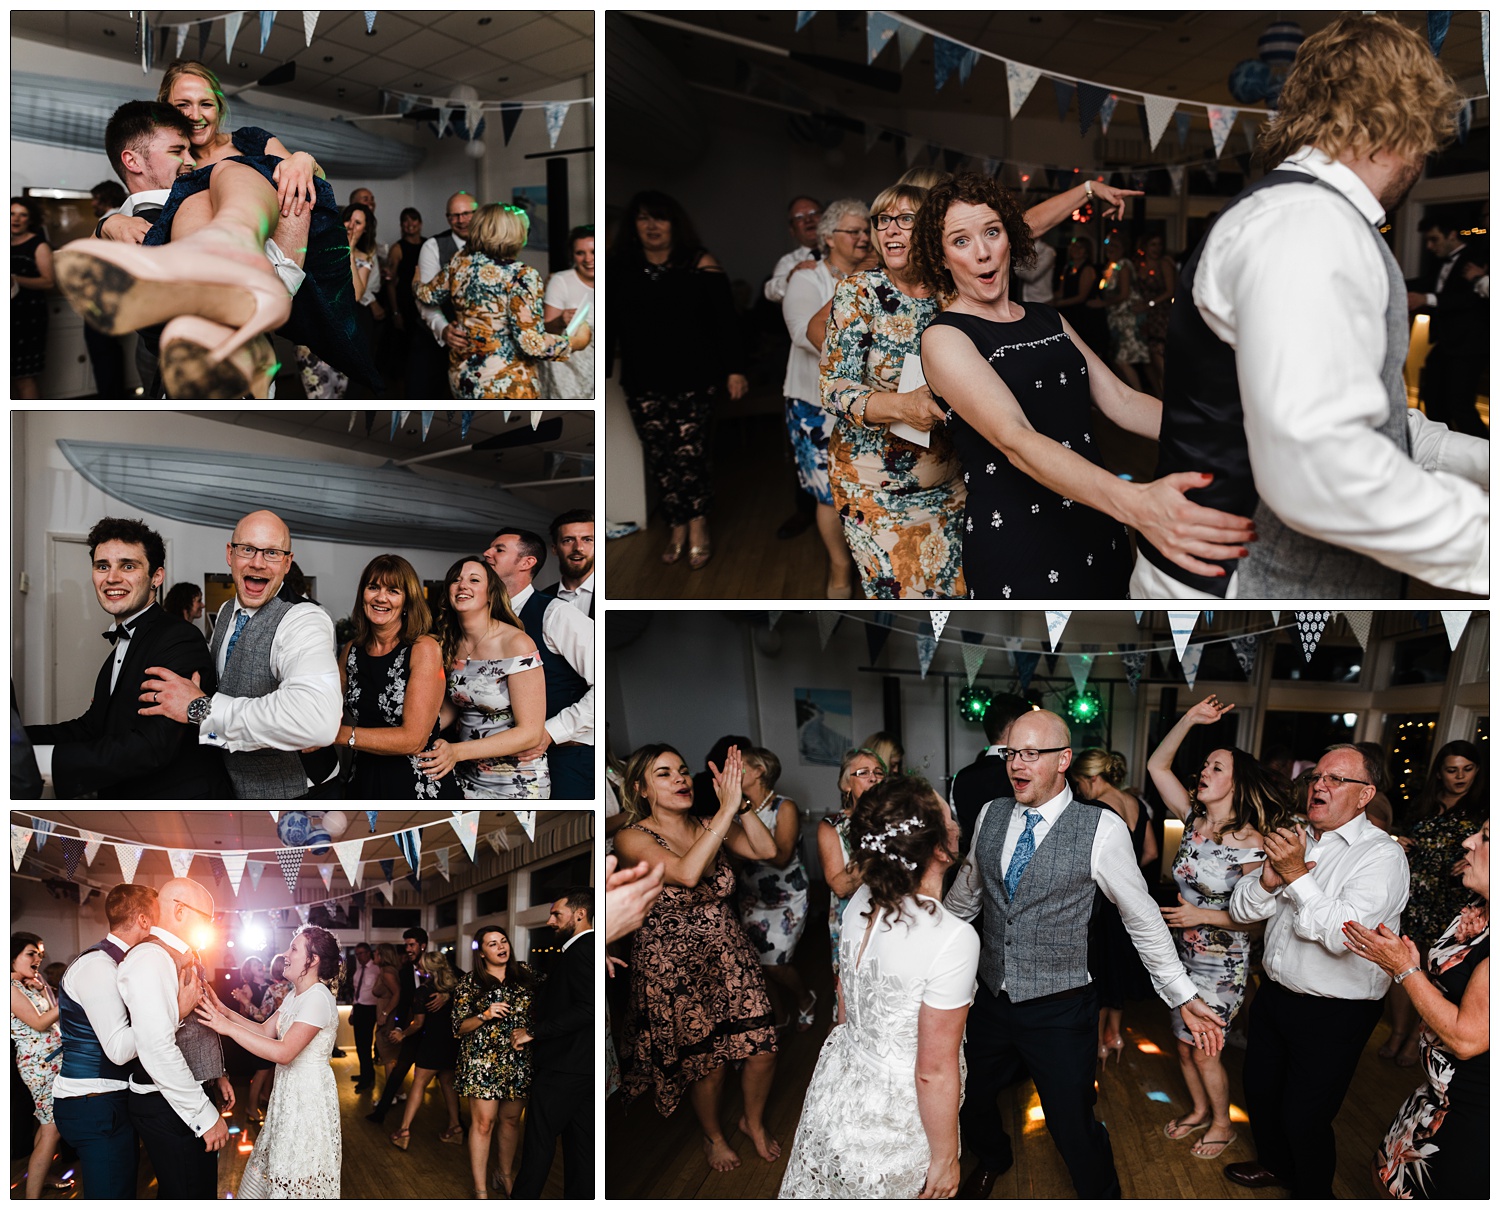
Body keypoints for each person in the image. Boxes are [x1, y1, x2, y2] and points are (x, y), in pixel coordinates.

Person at [1132, 14, 1488, 599]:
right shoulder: (1304, 224)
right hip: (1240, 589)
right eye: (1425, 137)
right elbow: (1323, 470)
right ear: (1398, 124)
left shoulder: (1316, 219)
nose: (1424, 158)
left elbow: (1384, 426)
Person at [914, 172, 1255, 599]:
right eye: (960, 241)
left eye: (992, 232)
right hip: (1022, 537)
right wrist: (1136, 502)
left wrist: (1233, 431)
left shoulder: (1048, 317)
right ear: (941, 257)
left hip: (1097, 517)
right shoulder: (945, 337)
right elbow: (1015, 440)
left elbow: (1123, 400)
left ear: (1011, 238)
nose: (983, 253)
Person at [944, 709, 1226, 1199]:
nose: (1017, 764)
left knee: (1071, 1122)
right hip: (988, 996)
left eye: (1032, 753)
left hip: (1060, 1005)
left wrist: (1181, 995)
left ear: (1063, 760)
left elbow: (1142, 918)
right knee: (969, 1098)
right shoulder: (990, 814)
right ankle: (993, 1156)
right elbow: (967, 896)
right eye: (1013, 752)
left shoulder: (1101, 828)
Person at [821, 175, 1143, 599]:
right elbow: (830, 382)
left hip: (954, 477)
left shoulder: (949, 285)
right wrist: (897, 404)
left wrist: (1086, 190)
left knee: (960, 598)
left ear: (927, 236)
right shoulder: (861, 290)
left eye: (905, 219)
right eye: (882, 219)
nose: (891, 229)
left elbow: (1013, 228)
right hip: (882, 484)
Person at [57, 61, 378, 398]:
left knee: (226, 173)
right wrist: (110, 222)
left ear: (219, 107)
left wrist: (303, 159)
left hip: (260, 270)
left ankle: (233, 255)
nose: (196, 114)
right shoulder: (163, 158)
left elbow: (305, 186)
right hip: (174, 325)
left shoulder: (247, 144)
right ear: (165, 106)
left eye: (206, 103)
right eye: (183, 104)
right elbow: (126, 211)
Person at [1223, 743, 1410, 1196]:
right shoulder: (1296, 835)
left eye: (1335, 779)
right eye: (1316, 777)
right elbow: (1242, 908)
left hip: (1336, 1010)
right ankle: (1275, 1166)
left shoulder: (1382, 856)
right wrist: (1269, 878)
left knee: (1305, 1115)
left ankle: (1312, 1194)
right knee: (1261, 1094)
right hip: (1274, 994)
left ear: (1365, 795)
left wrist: (1294, 875)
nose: (1319, 786)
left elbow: (1347, 934)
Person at [780, 778, 979, 1198]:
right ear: (939, 847)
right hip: (898, 1111)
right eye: (951, 819)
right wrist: (946, 1158)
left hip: (841, 1083)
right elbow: (933, 1071)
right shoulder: (951, 937)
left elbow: (845, 999)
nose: (958, 826)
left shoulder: (859, 901)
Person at [617, 744, 780, 1173]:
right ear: (642, 789)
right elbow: (687, 873)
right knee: (709, 1065)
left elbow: (767, 851)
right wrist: (725, 812)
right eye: (665, 774)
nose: (681, 779)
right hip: (674, 967)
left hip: (729, 955)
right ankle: (714, 1136)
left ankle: (753, 1122)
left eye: (684, 771)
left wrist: (740, 802)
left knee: (762, 1047)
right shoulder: (632, 836)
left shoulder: (711, 822)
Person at [1145, 695, 1287, 1161]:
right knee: (1182, 1047)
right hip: (1180, 957)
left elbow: (1258, 914)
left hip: (1222, 965)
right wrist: (1188, 719)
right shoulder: (1192, 819)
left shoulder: (1251, 842)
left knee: (1205, 1049)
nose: (1204, 772)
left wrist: (1201, 916)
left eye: (1217, 767)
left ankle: (1223, 1125)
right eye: (1205, 765)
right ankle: (1202, 1109)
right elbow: (1156, 765)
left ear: (1237, 781)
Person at [139, 509, 342, 798]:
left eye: (271, 553)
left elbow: (316, 722)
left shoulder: (305, 619)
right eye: (247, 549)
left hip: (299, 795)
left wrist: (201, 709)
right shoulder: (224, 612)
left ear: (287, 563)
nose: (257, 563)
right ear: (230, 554)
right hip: (230, 787)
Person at [24, 516, 229, 798]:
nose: (112, 578)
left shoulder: (178, 638)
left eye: (128, 566)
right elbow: (92, 727)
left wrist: (34, 762)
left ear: (156, 576)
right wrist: (17, 741)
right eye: (102, 566)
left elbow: (152, 746)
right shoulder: (122, 645)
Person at [1346, 821, 1489, 1199]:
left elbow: (1467, 1039)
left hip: (1473, 1111)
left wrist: (1405, 970)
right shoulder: (1479, 909)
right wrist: (1411, 966)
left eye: (1487, 837)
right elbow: (1453, 987)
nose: (1468, 841)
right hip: (1435, 1093)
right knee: (1382, 1177)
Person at [608, 190, 748, 569]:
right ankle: (676, 526)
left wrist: (735, 369)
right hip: (642, 379)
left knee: (691, 456)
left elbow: (726, 323)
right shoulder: (619, 267)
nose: (652, 226)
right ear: (633, 225)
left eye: (660, 218)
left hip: (694, 377)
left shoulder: (700, 263)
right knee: (660, 457)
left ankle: (698, 524)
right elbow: (607, 323)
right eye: (643, 218)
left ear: (675, 224)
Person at [196, 926, 342, 1198]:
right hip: (288, 1093)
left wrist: (226, 1028)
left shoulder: (319, 998)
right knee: (277, 1163)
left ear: (313, 960)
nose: (285, 954)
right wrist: (223, 1011)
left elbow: (284, 1052)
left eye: (294, 949)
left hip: (308, 1098)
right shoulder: (295, 995)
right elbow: (264, 1030)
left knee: (298, 1171)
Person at [52, 884, 164, 1199]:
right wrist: (172, 1011)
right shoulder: (98, 966)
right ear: (144, 921)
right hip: (94, 1103)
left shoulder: (122, 963)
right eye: (158, 918)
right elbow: (117, 1050)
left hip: (106, 1100)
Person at [117, 878, 226, 1198]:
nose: (211, 926)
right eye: (207, 918)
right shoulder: (151, 958)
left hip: (185, 1091)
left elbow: (199, 1027)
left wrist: (217, 1077)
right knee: (189, 1194)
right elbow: (156, 1047)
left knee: (192, 1189)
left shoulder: (182, 956)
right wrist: (205, 1116)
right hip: (165, 1100)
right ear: (179, 910)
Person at [780, 198, 867, 599]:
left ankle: (869, 561)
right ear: (829, 238)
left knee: (866, 486)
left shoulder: (883, 276)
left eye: (868, 230)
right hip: (813, 404)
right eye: (855, 231)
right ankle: (838, 565)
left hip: (869, 403)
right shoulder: (807, 278)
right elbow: (802, 333)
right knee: (828, 494)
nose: (864, 237)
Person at [414, 202, 586, 399]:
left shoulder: (458, 263)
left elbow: (427, 295)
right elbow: (531, 344)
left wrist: (416, 282)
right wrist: (574, 342)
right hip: (505, 382)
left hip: (463, 377)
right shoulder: (521, 275)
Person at [1385, 739, 1485, 1065]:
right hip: (1417, 894)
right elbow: (1404, 836)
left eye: (1467, 769)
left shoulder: (1482, 810)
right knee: (1406, 964)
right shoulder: (1422, 804)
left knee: (1434, 969)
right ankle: (1398, 1031)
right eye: (1452, 770)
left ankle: (1417, 1037)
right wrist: (1398, 842)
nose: (1460, 777)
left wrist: (1466, 863)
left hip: (1454, 899)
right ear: (1439, 774)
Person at [481, 528, 595, 799]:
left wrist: (549, 732)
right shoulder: (484, 621)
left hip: (565, 758)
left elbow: (604, 686)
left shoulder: (557, 614)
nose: (487, 553)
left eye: (499, 549)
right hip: (500, 766)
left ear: (526, 562)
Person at [335, 553, 460, 799]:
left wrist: (334, 734)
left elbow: (412, 739)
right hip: (362, 778)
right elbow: (325, 706)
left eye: (393, 591)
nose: (381, 598)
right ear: (363, 595)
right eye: (373, 588)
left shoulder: (423, 648)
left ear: (407, 602)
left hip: (415, 783)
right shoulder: (351, 650)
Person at [421, 555, 547, 797]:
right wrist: (419, 731)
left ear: (491, 593)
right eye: (456, 580)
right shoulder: (449, 643)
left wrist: (456, 751)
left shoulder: (517, 644)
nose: (463, 585)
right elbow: (453, 705)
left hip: (516, 778)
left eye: (474, 580)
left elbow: (530, 732)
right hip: (465, 772)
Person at [1072, 747, 1161, 1068]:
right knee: (1118, 970)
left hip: (1099, 905)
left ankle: (1097, 1042)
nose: (1078, 788)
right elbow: (1151, 852)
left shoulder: (1093, 808)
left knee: (1098, 972)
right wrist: (1125, 873)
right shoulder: (1136, 803)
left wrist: (1109, 875)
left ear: (1093, 778)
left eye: (1079, 781)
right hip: (1128, 902)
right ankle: (1115, 1035)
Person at [510, 890, 595, 1199]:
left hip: (563, 1068)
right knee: (583, 1152)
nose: (550, 921)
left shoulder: (582, 950)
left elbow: (590, 1008)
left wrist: (535, 1031)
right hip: (586, 1068)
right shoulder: (590, 948)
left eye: (557, 914)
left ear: (580, 914)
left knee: (538, 1146)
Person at [736, 747, 816, 1031]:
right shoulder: (734, 808)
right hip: (751, 897)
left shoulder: (784, 807)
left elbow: (781, 857)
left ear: (759, 771)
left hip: (786, 895)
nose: (733, 771)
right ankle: (779, 1016)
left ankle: (805, 998)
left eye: (740, 766)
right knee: (758, 963)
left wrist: (743, 847)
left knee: (776, 962)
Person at [454, 926, 536, 1198]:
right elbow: (458, 1027)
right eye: (492, 944)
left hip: (518, 1060)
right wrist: (485, 1015)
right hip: (481, 1062)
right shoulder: (469, 983)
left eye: (503, 941)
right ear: (482, 952)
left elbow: (550, 1007)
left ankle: (504, 1174)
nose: (501, 947)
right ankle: (480, 1190)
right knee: (483, 1124)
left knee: (512, 1121)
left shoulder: (526, 975)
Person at [1408, 215, 1489, 437]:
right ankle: (1439, 451)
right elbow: (1427, 282)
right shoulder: (1440, 260)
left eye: (1434, 239)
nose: (1429, 246)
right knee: (1433, 398)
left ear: (1451, 235)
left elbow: (1468, 299)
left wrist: (1426, 299)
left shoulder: (1476, 258)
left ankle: (1486, 459)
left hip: (1470, 346)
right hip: (1445, 343)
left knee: (1460, 406)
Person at [296, 201, 379, 399]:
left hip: (342, 339)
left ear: (365, 229)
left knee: (339, 393)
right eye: (348, 219)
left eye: (358, 223)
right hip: (314, 332)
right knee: (317, 394)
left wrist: (348, 249)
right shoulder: (321, 247)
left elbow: (357, 294)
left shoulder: (365, 257)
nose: (351, 225)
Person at [820, 748, 885, 986]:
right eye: (864, 772)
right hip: (851, 919)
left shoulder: (899, 819)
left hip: (890, 917)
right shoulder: (832, 826)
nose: (873, 777)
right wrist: (879, 843)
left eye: (879, 772)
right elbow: (839, 885)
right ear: (847, 784)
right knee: (850, 989)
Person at [390, 952, 463, 1151]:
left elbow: (418, 1023)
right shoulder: (456, 988)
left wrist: (402, 1034)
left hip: (432, 1043)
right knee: (447, 1083)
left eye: (420, 966)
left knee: (419, 1084)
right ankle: (456, 1128)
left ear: (429, 969)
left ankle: (404, 1131)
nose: (418, 969)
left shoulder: (423, 991)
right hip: (453, 1043)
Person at [11, 933, 64, 1200]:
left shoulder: (28, 984)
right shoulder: (9, 988)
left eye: (40, 954)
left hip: (53, 1060)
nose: (38, 959)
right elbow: (40, 1023)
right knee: (51, 1127)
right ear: (12, 957)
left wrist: (44, 989)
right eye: (31, 953)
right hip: (38, 1066)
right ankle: (30, 1200)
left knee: (47, 1126)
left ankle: (42, 1175)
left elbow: (51, 1016)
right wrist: (69, 998)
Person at [412, 191, 478, 399]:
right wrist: (443, 329)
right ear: (448, 218)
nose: (461, 220)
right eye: (454, 216)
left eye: (467, 213)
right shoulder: (433, 246)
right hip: (437, 341)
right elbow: (426, 299)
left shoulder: (490, 245)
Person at [366, 928, 431, 1125]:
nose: (408, 949)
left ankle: (456, 1124)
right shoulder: (403, 971)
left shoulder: (435, 967)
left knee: (443, 1079)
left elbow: (397, 996)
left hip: (432, 1029)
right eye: (406, 945)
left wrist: (386, 1015)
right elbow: (403, 1001)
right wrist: (401, 1027)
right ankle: (384, 1111)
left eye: (411, 945)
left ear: (423, 945)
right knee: (399, 1068)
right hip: (410, 1027)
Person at [949, 694, 1028, 856]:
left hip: (971, 869)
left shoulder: (960, 778)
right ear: (1013, 728)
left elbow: (960, 829)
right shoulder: (1025, 772)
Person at [230, 954, 288, 1121]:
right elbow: (245, 1013)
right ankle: (251, 1108)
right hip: (258, 1032)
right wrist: (243, 1000)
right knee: (262, 1071)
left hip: (272, 1032)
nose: (260, 965)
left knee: (270, 1069)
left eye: (261, 962)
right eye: (255, 964)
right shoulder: (248, 988)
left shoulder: (271, 986)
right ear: (249, 970)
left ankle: (264, 1097)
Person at [541, 224, 596, 399]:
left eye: (594, 251)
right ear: (573, 255)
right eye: (580, 253)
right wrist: (561, 321)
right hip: (570, 371)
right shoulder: (561, 281)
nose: (588, 259)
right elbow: (546, 330)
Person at [10, 196, 53, 400]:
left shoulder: (38, 245)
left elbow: (48, 282)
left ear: (30, 219)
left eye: (22, 215)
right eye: (12, 213)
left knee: (23, 377)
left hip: (28, 318)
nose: (16, 219)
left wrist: (14, 278)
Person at [1053, 235, 1110, 361]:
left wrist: (1057, 304)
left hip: (1085, 316)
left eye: (1080, 247)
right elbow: (1061, 292)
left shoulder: (1088, 269)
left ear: (1087, 251)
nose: (1076, 249)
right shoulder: (1067, 268)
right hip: (1070, 313)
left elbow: (1081, 297)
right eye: (1074, 246)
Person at [1132, 233, 1176, 394]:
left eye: (1159, 245)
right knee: (1147, 360)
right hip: (1144, 316)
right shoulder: (1139, 264)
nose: (1156, 249)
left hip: (1160, 314)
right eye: (1153, 244)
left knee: (1159, 357)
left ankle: (1171, 400)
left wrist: (1149, 304)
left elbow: (1170, 291)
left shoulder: (1164, 264)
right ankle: (1158, 400)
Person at [764, 195, 823, 304]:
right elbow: (770, 292)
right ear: (792, 230)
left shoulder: (844, 252)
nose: (808, 220)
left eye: (813, 213)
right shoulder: (788, 261)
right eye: (799, 217)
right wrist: (791, 277)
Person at [548, 510, 595, 617]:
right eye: (568, 540)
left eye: (587, 539)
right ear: (555, 549)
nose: (578, 547)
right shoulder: (540, 599)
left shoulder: (617, 593)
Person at [371, 942, 403, 1090]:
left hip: (388, 1018)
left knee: (388, 1058)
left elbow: (397, 994)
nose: (374, 955)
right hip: (387, 1016)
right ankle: (397, 1092)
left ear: (383, 955)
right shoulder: (387, 970)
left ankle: (391, 1095)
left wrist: (385, 1013)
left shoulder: (387, 973)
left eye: (376, 953)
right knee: (389, 1057)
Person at [349, 943, 380, 1092]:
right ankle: (365, 1074)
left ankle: (367, 1079)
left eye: (361, 953)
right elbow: (357, 993)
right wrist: (352, 1012)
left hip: (370, 1009)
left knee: (365, 1045)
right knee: (360, 1046)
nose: (359, 957)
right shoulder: (358, 970)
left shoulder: (376, 969)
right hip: (359, 1009)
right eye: (357, 954)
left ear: (368, 953)